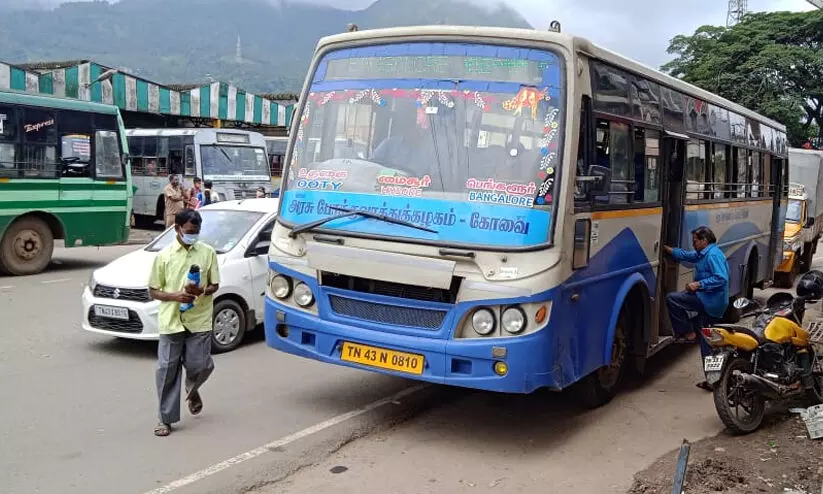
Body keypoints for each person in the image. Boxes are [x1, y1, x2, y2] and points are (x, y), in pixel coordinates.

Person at [148, 209, 220, 437]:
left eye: (197, 232)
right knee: (167, 371)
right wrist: (175, 296)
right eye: (190, 231)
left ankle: (192, 387)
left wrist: (201, 291)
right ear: (177, 228)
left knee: (200, 365)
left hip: (199, 319)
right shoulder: (164, 256)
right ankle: (165, 419)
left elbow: (215, 286)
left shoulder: (207, 253)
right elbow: (153, 290)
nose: (194, 235)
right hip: (171, 320)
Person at [664, 226, 730, 391]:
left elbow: (721, 278)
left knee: (673, 299)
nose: (693, 244)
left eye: (695, 241)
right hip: (707, 300)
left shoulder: (713, 255)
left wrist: (698, 284)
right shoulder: (704, 253)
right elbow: (686, 255)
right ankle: (714, 380)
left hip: (710, 301)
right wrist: (667, 249)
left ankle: (688, 331)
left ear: (704, 241)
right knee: (707, 342)